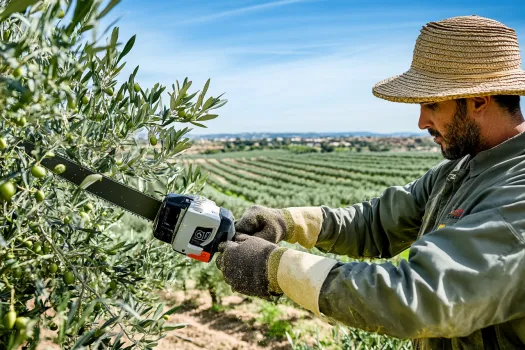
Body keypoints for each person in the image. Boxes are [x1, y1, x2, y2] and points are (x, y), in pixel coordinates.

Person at [215, 15, 525, 349]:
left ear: (479, 101)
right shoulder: (463, 168)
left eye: (432, 104)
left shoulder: (516, 194)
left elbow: (416, 297)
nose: (422, 121)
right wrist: (289, 223)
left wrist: (277, 268)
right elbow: (377, 222)